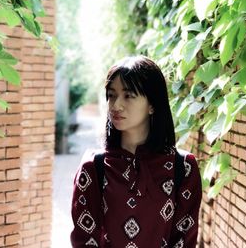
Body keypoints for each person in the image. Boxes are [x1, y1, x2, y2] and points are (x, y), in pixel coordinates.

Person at [70, 56, 202, 248]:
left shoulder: (184, 168)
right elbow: (84, 240)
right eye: (111, 95)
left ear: (152, 104)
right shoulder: (93, 168)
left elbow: (183, 240)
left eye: (128, 95)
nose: (116, 106)